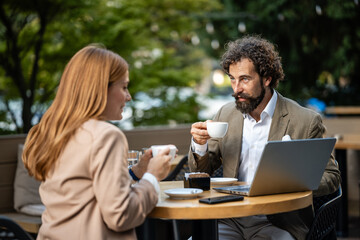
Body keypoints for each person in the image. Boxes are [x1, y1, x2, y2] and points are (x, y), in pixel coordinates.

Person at [188, 35, 340, 240]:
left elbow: (332, 177)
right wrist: (200, 145)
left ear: (267, 78)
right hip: (229, 218)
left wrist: (292, 184)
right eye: (232, 79)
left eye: (245, 79)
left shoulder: (305, 120)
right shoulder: (226, 114)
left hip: (278, 222)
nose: (236, 88)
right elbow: (200, 174)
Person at [22, 45, 172, 239]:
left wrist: (135, 173)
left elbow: (85, 191)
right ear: (101, 88)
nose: (129, 96)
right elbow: (121, 215)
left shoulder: (55, 131)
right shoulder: (106, 135)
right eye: (124, 87)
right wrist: (152, 177)